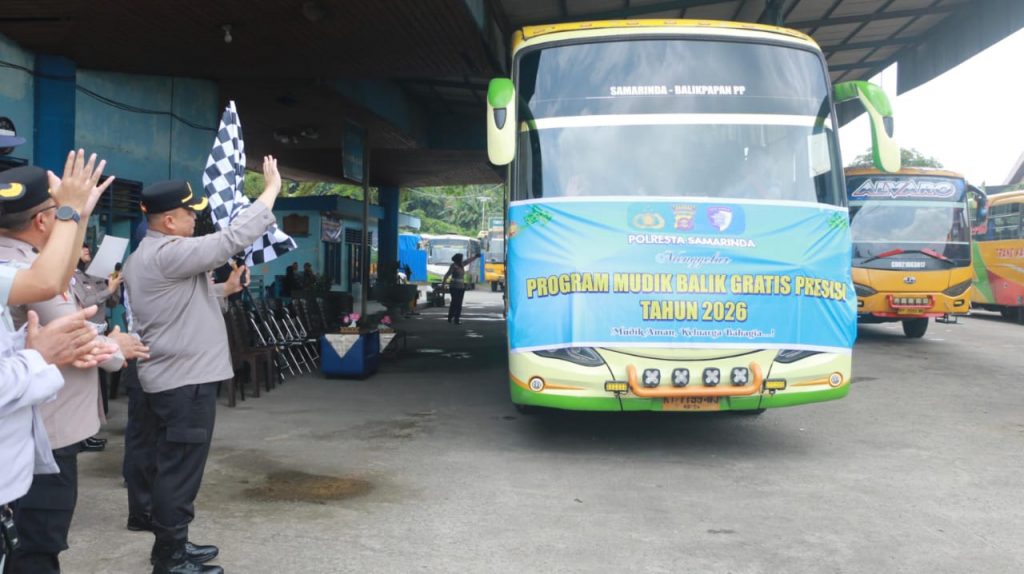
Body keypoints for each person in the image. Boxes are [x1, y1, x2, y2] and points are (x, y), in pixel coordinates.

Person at [122, 156, 283, 574]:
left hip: (172, 380)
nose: (196, 219)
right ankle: (170, 559)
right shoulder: (171, 252)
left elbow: (176, 305)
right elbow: (229, 239)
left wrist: (224, 290)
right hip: (184, 384)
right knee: (179, 472)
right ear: (169, 221)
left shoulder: (146, 255)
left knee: (173, 467)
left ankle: (173, 543)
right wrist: (269, 193)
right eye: (190, 213)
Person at [0, 161, 150, 574]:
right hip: (46, 432)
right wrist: (116, 347)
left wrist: (77, 215)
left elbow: (61, 273)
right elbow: (64, 314)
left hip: (36, 429)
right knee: (37, 545)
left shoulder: (23, 260)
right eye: (57, 211)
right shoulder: (24, 270)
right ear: (43, 220)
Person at [72, 242, 124, 452]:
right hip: (83, 336)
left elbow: (112, 303)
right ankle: (81, 436)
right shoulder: (71, 276)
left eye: (88, 247)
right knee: (83, 388)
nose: (87, 250)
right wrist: (107, 291)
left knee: (96, 388)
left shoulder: (94, 275)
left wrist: (113, 284)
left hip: (99, 335)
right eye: (82, 247)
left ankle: (88, 433)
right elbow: (85, 302)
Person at [442, 252, 479, 325]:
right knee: (454, 302)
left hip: (461, 288)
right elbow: (447, 275)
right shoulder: (453, 266)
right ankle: (450, 317)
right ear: (458, 259)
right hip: (454, 287)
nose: (462, 260)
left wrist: (475, 257)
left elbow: (468, 261)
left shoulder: (461, 265)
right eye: (461, 258)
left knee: (459, 304)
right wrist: (443, 284)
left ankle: (457, 319)